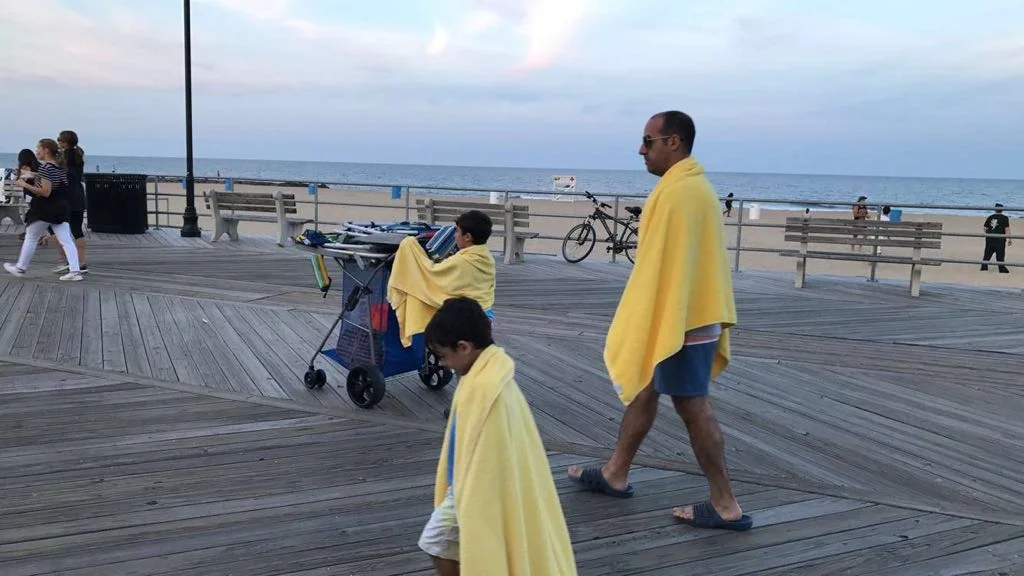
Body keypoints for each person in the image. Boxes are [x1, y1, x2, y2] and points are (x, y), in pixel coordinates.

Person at [567, 110, 751, 531]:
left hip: (686, 320)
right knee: (645, 390)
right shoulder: (683, 187)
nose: (640, 149)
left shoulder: (683, 192)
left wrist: (657, 318)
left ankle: (725, 503)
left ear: (674, 142)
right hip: (683, 314)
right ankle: (616, 473)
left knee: (692, 405)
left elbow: (671, 267)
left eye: (648, 141)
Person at [418, 297, 576, 575]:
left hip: (474, 490)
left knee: (437, 543)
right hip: (464, 485)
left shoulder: (488, 386)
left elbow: (491, 457)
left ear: (464, 347)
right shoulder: (488, 373)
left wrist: (474, 498)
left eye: (443, 356)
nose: (442, 364)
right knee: (444, 545)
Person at [387, 210, 496, 347]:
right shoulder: (486, 257)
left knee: (421, 300)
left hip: (466, 319)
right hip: (486, 314)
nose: (454, 236)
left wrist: (410, 247)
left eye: (456, 232)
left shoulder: (461, 262)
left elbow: (431, 274)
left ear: (467, 237)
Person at [4, 139, 83, 281]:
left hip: (46, 209)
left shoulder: (45, 168)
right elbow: (55, 183)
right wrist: (33, 175)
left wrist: (24, 184)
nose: (36, 151)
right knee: (66, 240)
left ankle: (20, 268)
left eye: (38, 148)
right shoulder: (58, 167)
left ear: (46, 149)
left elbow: (45, 192)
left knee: (31, 236)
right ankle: (75, 271)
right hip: (61, 208)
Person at [52, 130, 88, 274]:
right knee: (77, 230)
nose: (58, 143)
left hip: (68, 198)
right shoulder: (78, 155)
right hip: (78, 196)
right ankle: (82, 262)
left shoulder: (65, 156)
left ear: (65, 142)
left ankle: (67, 261)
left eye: (59, 140)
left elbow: (59, 174)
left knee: (60, 230)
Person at [981, 203, 1011, 274]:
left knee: (987, 254)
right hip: (1000, 239)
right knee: (1000, 255)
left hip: (990, 238)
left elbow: (985, 228)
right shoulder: (1005, 218)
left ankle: (984, 268)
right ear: (1002, 210)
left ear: (995, 209)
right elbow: (1007, 229)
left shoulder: (990, 217)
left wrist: (988, 234)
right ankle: (1001, 269)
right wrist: (1009, 239)